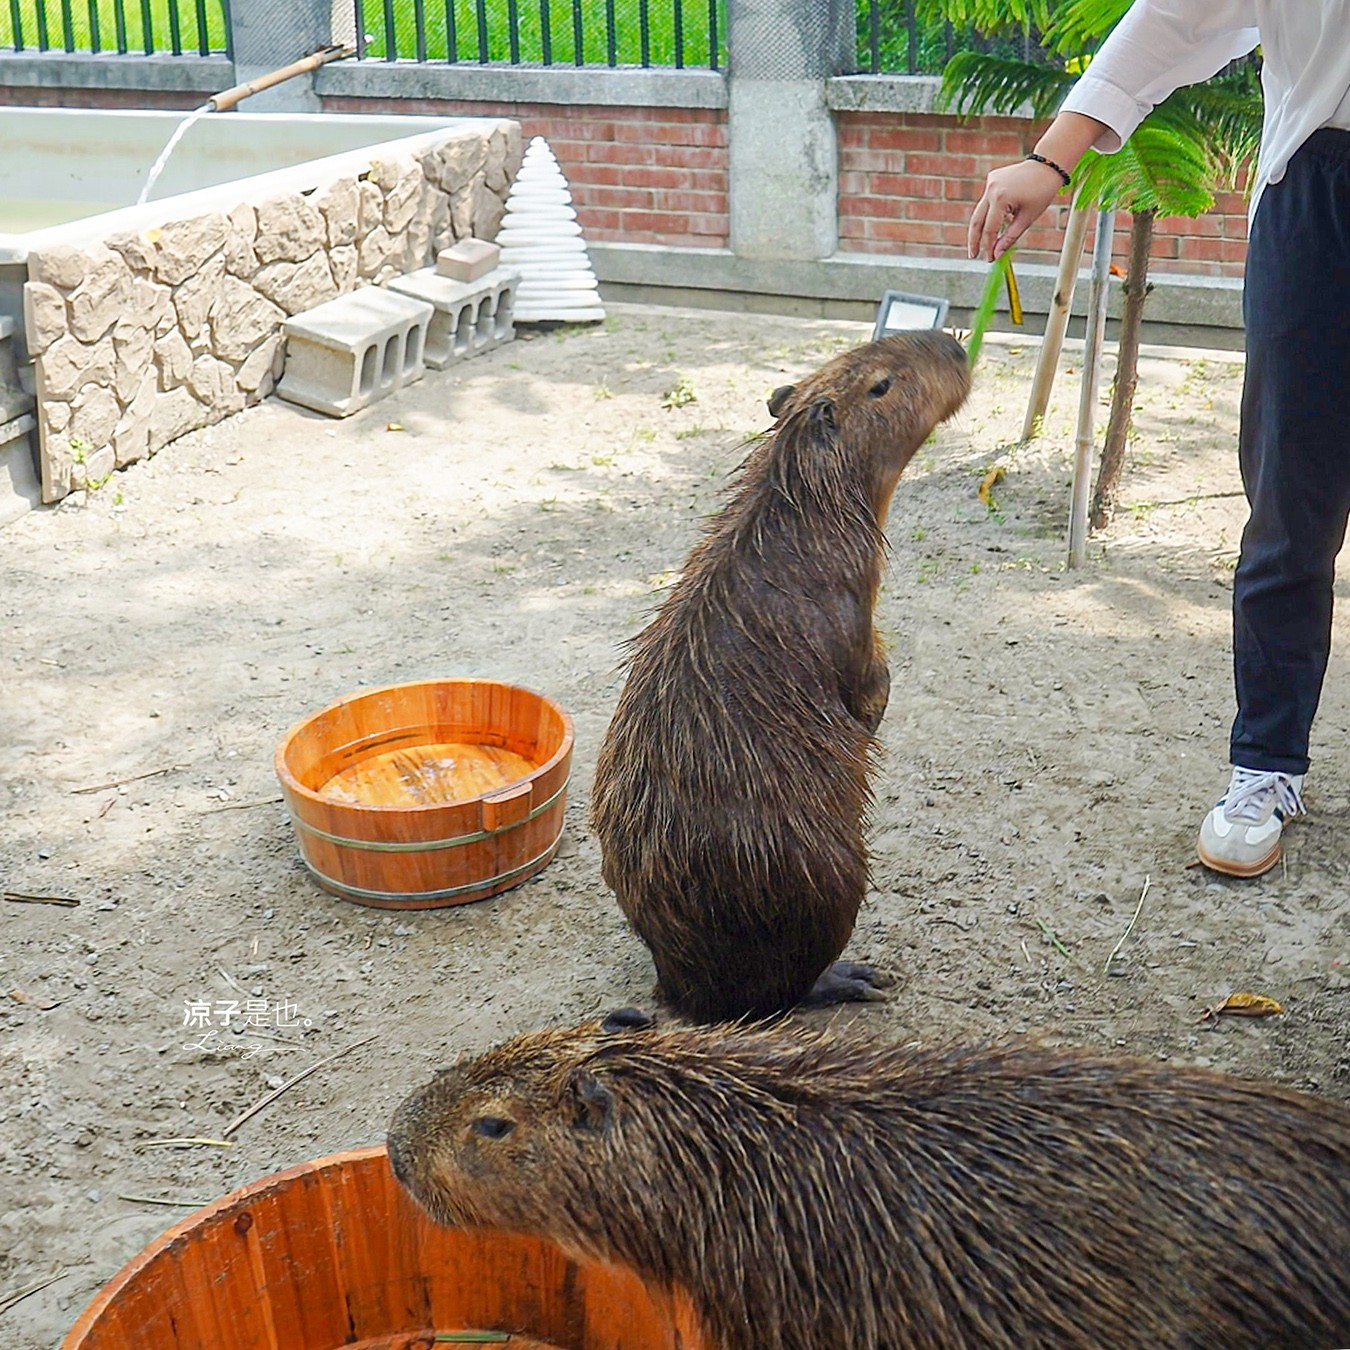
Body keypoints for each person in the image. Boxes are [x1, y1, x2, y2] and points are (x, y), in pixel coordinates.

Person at [967, 1, 1350, 878]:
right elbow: (1178, 16)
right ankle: (1266, 763)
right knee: (1293, 503)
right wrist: (1049, 157)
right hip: (1322, 190)